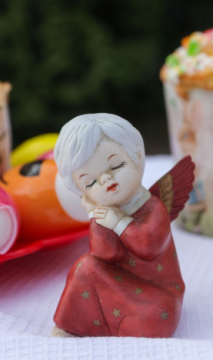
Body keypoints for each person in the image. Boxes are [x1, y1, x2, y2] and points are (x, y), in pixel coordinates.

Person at [52, 113, 185, 338]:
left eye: (116, 166)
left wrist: (119, 222)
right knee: (85, 267)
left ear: (138, 157)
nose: (105, 180)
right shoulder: (105, 212)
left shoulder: (153, 207)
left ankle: (118, 325)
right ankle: (74, 326)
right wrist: (96, 215)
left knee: (160, 314)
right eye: (90, 182)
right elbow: (106, 255)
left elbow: (149, 247)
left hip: (157, 290)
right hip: (123, 288)